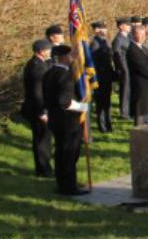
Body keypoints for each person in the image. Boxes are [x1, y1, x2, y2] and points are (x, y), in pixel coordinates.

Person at [43, 45, 90, 195]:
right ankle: (69, 186)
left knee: (60, 153)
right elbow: (65, 101)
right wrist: (82, 106)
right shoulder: (65, 75)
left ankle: (62, 184)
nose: (72, 58)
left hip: (55, 119)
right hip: (68, 121)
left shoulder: (48, 73)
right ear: (63, 58)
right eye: (70, 56)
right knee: (69, 154)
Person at [21, 39, 53, 177]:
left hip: (41, 108)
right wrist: (42, 112)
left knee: (45, 139)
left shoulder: (39, 64)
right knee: (42, 140)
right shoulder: (36, 68)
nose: (50, 51)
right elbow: (37, 92)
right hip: (38, 110)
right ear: (41, 51)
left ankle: (45, 167)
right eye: (48, 49)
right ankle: (43, 169)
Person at [89, 21, 115, 132]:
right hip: (99, 77)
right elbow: (93, 62)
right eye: (101, 29)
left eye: (104, 28)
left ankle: (108, 123)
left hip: (107, 76)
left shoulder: (106, 41)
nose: (103, 31)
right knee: (100, 102)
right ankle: (102, 125)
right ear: (96, 30)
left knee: (107, 102)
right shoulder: (94, 43)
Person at [111, 18, 132, 119]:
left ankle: (128, 110)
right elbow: (117, 55)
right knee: (124, 90)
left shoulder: (127, 37)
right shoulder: (118, 39)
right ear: (121, 26)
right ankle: (123, 112)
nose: (129, 27)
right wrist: (122, 69)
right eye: (127, 25)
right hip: (123, 68)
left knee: (128, 89)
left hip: (128, 66)